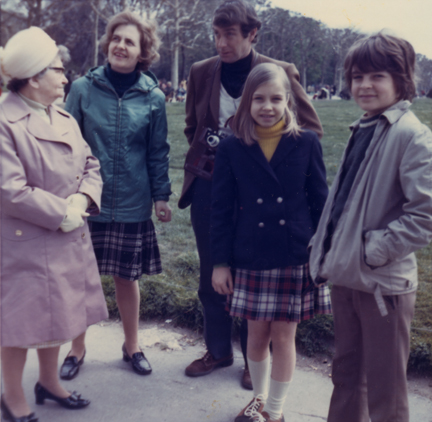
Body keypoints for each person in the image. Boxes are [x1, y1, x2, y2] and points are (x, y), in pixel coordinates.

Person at [178, 0, 323, 390]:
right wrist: (221, 158)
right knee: (215, 270)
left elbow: (309, 129)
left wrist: (260, 164)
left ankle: (253, 358)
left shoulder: (280, 73)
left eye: (229, 34)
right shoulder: (201, 71)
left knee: (257, 273)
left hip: (263, 189)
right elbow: (193, 126)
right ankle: (217, 349)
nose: (221, 42)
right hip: (214, 186)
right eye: (216, 34)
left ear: (251, 34)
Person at [309, 32, 432, 422]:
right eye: (357, 76)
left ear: (402, 80)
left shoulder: (411, 135)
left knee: (386, 392)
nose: (364, 85)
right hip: (348, 277)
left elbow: (425, 215)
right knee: (346, 376)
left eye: (376, 76)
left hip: (382, 285)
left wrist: (372, 250)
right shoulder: (366, 127)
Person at [210, 62, 330, 422]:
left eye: (276, 98)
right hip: (249, 254)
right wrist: (219, 262)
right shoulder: (232, 147)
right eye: (259, 99)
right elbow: (221, 209)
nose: (267, 106)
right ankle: (258, 401)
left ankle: (275, 411)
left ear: (288, 102)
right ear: (246, 103)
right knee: (255, 335)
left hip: (294, 253)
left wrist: (322, 254)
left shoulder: (306, 142)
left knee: (283, 336)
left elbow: (321, 202)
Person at [0, 27, 108, 422]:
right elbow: (9, 190)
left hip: (65, 236)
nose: (66, 78)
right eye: (58, 71)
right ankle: (12, 398)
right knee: (17, 326)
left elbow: (91, 164)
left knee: (55, 316)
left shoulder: (61, 116)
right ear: (33, 77)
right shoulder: (3, 121)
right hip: (23, 241)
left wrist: (82, 199)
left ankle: (48, 383)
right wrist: (63, 212)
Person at [61, 10, 171, 379]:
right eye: (117, 39)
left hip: (132, 203)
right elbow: (64, 145)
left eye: (130, 41)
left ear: (143, 52)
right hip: (85, 203)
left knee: (128, 279)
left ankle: (132, 345)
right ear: (108, 44)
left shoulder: (154, 98)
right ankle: (77, 349)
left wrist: (160, 195)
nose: (121, 46)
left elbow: (158, 152)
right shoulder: (81, 90)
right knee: (78, 278)